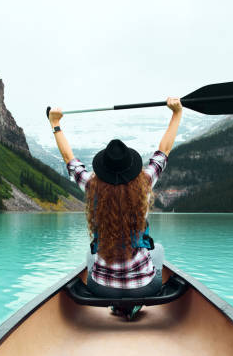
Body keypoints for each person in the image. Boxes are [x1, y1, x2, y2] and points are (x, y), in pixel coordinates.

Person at [48, 98, 182, 317]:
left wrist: (55, 123)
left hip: (100, 288)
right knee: (157, 250)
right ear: (132, 167)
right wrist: (176, 113)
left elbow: (69, 159)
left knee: (90, 257)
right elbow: (163, 152)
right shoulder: (144, 184)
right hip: (145, 287)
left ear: (102, 169)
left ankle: (117, 304)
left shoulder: (92, 186)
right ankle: (132, 303)